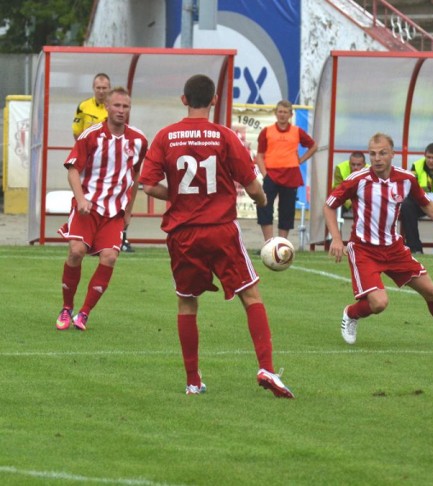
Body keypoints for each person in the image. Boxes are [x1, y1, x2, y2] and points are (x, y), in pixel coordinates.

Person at [139, 74, 294, 398]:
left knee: (187, 303)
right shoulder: (224, 137)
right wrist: (263, 200)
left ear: (184, 100)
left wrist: (178, 196)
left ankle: (193, 381)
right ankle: (266, 367)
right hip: (221, 229)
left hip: (183, 233)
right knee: (250, 295)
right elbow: (253, 187)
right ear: (212, 101)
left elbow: (150, 184)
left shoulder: (166, 137)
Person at [324, 132, 433, 348]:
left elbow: (427, 205)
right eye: (373, 154)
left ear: (392, 154)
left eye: (382, 153)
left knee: (432, 291)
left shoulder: (406, 179)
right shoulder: (357, 180)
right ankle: (351, 313)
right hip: (364, 249)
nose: (377, 158)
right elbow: (329, 205)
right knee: (379, 303)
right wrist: (336, 238)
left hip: (394, 249)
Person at [55, 87, 147, 332]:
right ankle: (67, 308)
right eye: (116, 106)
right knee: (76, 252)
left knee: (110, 256)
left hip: (114, 211)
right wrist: (81, 198)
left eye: (125, 107)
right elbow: (73, 169)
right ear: (106, 106)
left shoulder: (139, 140)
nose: (121, 111)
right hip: (88, 208)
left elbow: (136, 175)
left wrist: (128, 209)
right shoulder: (91, 136)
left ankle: (84, 313)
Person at [73, 72, 135, 252]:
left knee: (118, 195)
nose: (101, 91)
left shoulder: (117, 108)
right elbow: (77, 131)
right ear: (93, 88)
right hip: (93, 161)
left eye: (104, 88)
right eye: (98, 88)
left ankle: (121, 238)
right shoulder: (84, 106)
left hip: (115, 161)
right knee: (90, 196)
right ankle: (85, 237)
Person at [255, 100, 317, 241]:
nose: (282, 115)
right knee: (264, 208)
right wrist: (265, 175)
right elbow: (259, 156)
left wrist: (300, 160)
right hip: (271, 175)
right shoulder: (267, 131)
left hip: (290, 175)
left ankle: (282, 243)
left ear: (291, 114)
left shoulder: (297, 131)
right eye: (280, 111)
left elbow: (313, 146)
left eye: (285, 112)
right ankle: (269, 243)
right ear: (275, 113)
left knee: (287, 211)